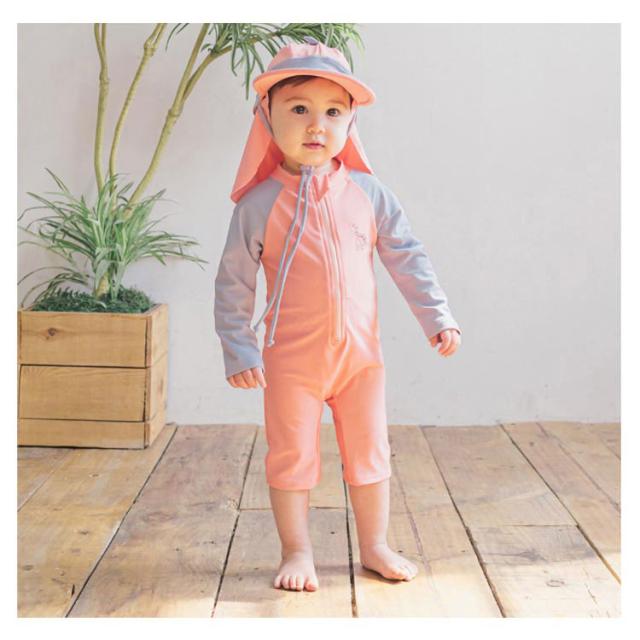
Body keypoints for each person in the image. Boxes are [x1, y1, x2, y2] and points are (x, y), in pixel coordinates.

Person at [214, 37, 462, 592]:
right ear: (267, 117)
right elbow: (233, 281)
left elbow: (407, 257)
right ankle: (297, 550)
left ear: (351, 121)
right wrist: (239, 346)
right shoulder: (257, 205)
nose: (315, 125)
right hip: (291, 363)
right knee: (291, 454)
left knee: (370, 451)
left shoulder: (370, 194)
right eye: (299, 108)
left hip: (360, 361)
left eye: (333, 112)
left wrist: (437, 316)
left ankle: (374, 545)